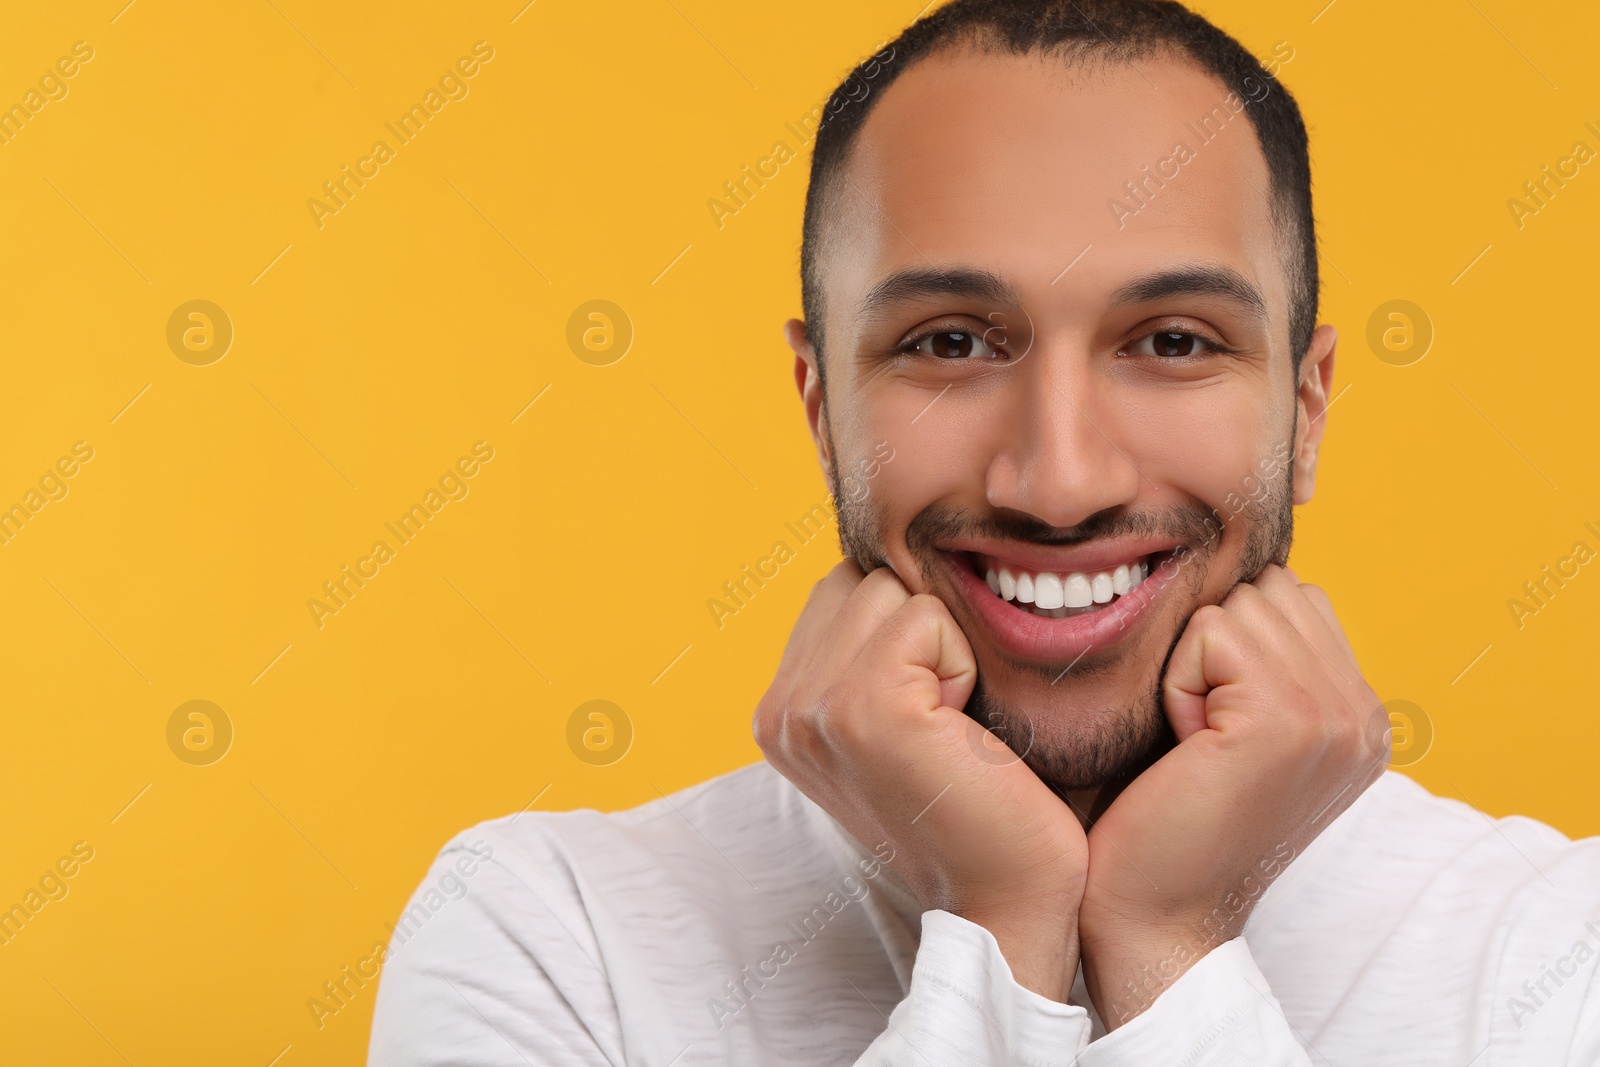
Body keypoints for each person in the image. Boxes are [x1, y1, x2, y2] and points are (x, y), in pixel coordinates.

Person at [367, 1, 1600, 1062]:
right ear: (820, 406)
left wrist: (1170, 948)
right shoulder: (548, 934)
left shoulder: (1557, 945)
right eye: (950, 343)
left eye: (1171, 341)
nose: (1057, 481)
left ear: (1308, 408)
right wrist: (999, 932)